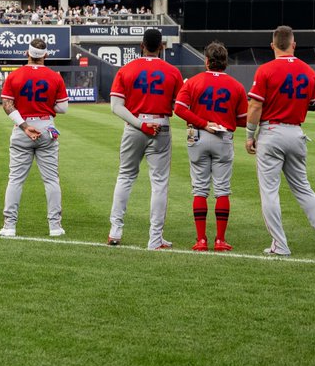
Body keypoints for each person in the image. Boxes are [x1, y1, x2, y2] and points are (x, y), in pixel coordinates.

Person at [247, 25, 315, 256]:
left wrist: (249, 135)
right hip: (296, 133)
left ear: (272, 45)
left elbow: (255, 105)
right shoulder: (308, 71)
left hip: (272, 132)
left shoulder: (265, 70)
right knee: (304, 189)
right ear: (293, 45)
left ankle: (281, 245)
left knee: (270, 192)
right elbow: (313, 104)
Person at [106, 28, 183, 250]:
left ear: (142, 44)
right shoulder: (172, 71)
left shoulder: (127, 69)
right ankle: (155, 238)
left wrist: (140, 124)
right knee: (159, 183)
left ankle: (115, 231)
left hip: (134, 125)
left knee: (125, 177)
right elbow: (180, 106)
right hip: (160, 126)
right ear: (162, 46)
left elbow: (116, 107)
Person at [174, 41, 248, 251]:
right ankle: (220, 240)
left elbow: (179, 109)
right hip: (223, 137)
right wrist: (224, 120)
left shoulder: (194, 82)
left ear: (206, 61)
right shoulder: (236, 86)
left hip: (197, 135)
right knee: (222, 190)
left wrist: (203, 123)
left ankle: (201, 240)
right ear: (225, 62)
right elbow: (243, 120)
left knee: (200, 189)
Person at [0, 38, 68, 238]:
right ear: (46, 55)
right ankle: (55, 227)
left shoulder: (15, 75)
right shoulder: (54, 76)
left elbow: (7, 105)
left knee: (15, 180)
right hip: (46, 126)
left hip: (22, 127)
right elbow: (63, 108)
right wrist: (46, 108)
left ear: (26, 54)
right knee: (51, 180)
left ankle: (9, 226)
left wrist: (25, 126)